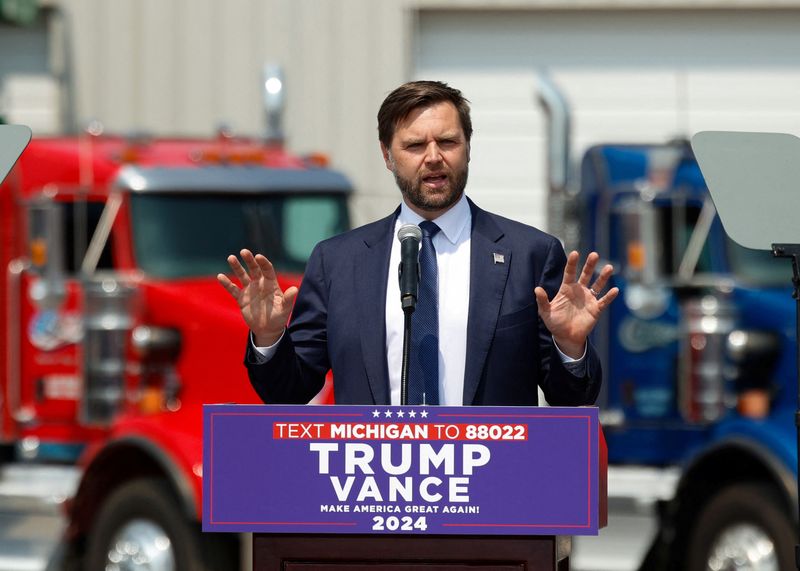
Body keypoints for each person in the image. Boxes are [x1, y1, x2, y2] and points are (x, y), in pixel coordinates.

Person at [218, 80, 618, 406]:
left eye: (447, 142)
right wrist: (270, 338)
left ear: (467, 148)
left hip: (487, 487)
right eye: (413, 145)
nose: (433, 157)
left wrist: (570, 346)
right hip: (373, 488)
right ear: (388, 155)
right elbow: (288, 391)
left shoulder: (529, 254)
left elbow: (571, 398)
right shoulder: (338, 261)